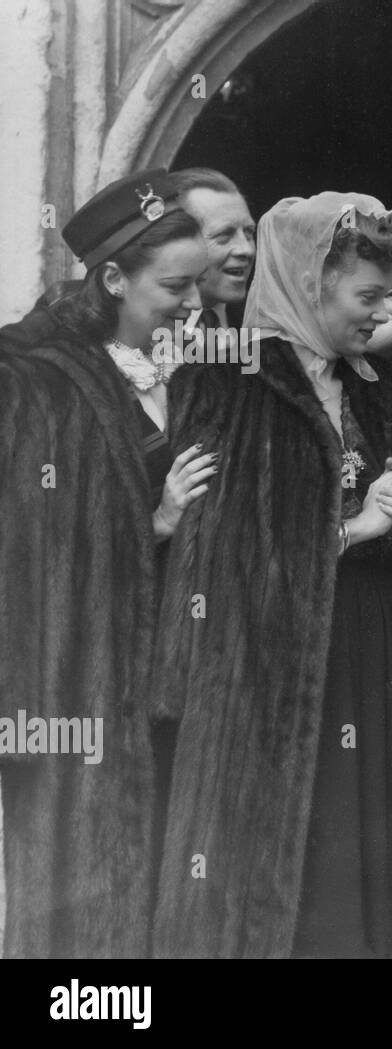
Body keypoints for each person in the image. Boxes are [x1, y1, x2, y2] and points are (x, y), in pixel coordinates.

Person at [150, 193, 392, 958]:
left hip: (371, 654)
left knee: (360, 856)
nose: (382, 315)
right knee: (272, 867)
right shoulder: (227, 383)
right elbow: (220, 548)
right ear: (313, 285)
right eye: (367, 297)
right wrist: (352, 527)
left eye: (388, 296)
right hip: (264, 660)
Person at [0, 168, 214, 956]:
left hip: (180, 680)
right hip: (82, 682)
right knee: (83, 903)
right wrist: (152, 522)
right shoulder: (35, 381)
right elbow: (31, 546)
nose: (194, 306)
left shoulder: (197, 372)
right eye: (176, 286)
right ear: (115, 278)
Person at [173, 167, 256, 329]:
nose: (247, 250)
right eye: (224, 235)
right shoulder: (147, 339)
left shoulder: (264, 329)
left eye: (249, 233)